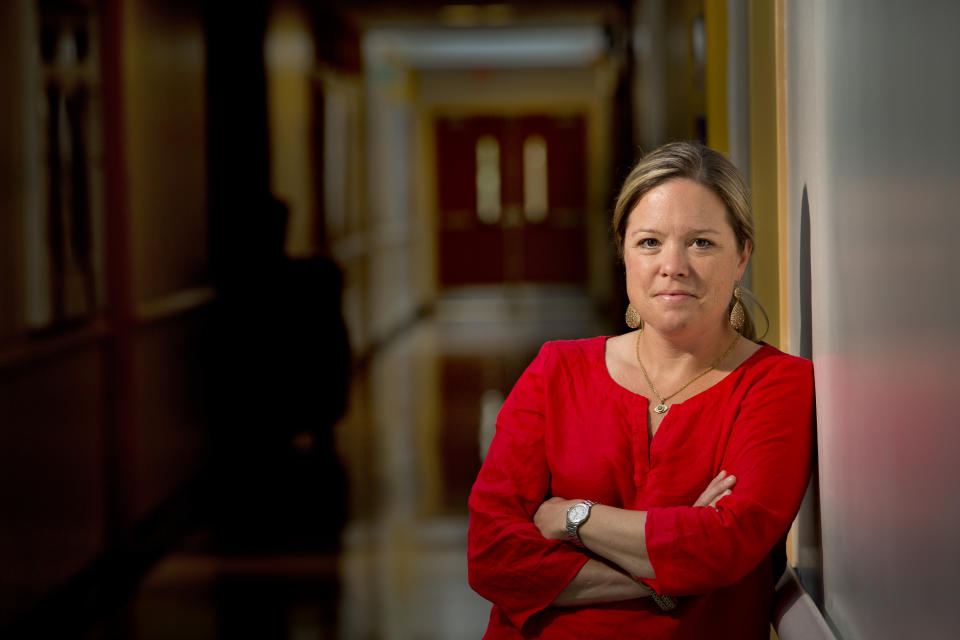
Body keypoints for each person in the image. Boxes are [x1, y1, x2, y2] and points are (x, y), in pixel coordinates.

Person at [467, 141, 815, 639]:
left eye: (701, 243)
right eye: (649, 242)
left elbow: (725, 546)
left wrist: (571, 516)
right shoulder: (556, 370)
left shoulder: (776, 384)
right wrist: (668, 571)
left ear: (741, 257)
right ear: (624, 253)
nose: (672, 265)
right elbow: (492, 554)